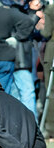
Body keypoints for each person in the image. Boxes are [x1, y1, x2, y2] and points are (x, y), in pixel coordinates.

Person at [40, 3, 54, 138]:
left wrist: (38, 27)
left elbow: (46, 32)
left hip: (52, 51)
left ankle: (51, 129)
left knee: (51, 91)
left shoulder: (51, 9)